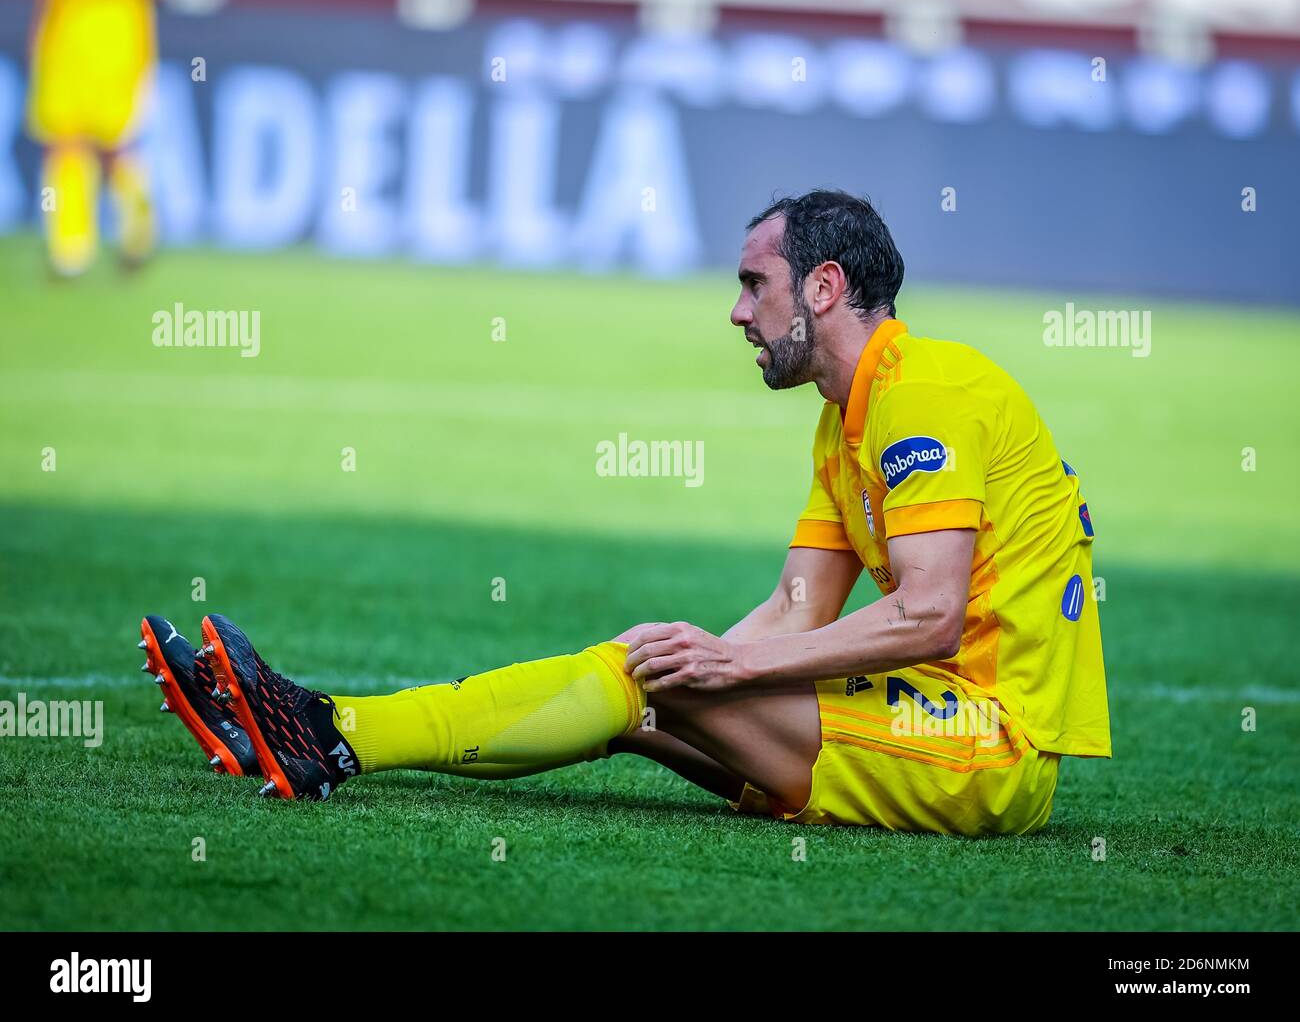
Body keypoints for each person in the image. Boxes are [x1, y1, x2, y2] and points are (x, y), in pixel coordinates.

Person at [138, 190, 1110, 836]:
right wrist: (695, 671)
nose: (737, 314)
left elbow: (926, 615)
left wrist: (724, 669)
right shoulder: (844, 420)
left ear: (823, 287)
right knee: (643, 674)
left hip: (984, 744)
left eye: (752, 284)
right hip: (922, 718)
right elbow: (794, 607)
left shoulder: (925, 390)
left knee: (660, 674)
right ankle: (316, 730)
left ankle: (326, 729)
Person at [26, 0, 157, 275]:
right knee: (115, 144)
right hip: (121, 25)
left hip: (76, 25)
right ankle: (138, 234)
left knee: (68, 143)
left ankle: (71, 249)